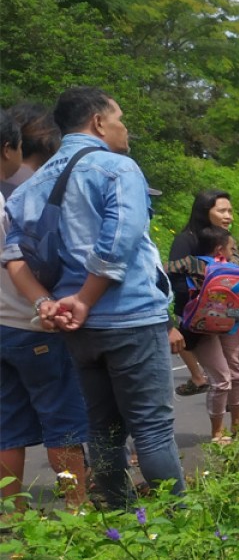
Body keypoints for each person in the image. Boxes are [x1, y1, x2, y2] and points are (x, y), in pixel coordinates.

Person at [2, 86, 185, 508]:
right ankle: (178, 522)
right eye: (120, 119)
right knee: (153, 429)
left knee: (103, 430)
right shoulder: (116, 168)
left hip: (77, 330)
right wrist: (85, 298)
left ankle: (119, 518)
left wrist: (46, 303)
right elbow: (118, 242)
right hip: (130, 317)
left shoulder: (32, 185)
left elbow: (13, 257)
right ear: (99, 122)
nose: (125, 129)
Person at [0, 107, 89, 512]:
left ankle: (13, 516)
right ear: (8, 149)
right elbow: (25, 261)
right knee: (63, 423)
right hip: (33, 326)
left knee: (7, 429)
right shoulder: (13, 204)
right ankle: (76, 508)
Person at [184, 226, 239, 443]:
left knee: (233, 375)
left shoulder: (188, 265)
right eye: (231, 248)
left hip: (206, 325)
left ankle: (234, 425)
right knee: (226, 377)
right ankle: (219, 431)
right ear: (220, 250)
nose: (233, 252)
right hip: (217, 327)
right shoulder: (228, 268)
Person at [168, 190, 236, 397]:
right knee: (221, 376)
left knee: (236, 371)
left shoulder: (224, 239)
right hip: (198, 318)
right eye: (222, 211)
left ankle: (237, 411)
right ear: (204, 212)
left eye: (230, 211)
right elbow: (175, 279)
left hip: (226, 315)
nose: (228, 217)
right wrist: (202, 298)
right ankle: (199, 380)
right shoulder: (185, 240)